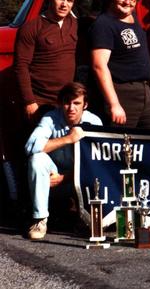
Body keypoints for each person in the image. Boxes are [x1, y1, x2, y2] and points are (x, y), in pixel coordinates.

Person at [24, 82, 102, 240]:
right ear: (61, 103)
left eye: (77, 103)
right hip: (53, 178)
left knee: (98, 170)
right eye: (67, 102)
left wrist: (65, 178)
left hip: (80, 180)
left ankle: (89, 219)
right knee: (37, 159)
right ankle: (40, 220)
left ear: (85, 105)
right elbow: (30, 147)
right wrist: (68, 139)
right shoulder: (51, 118)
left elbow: (100, 165)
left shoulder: (94, 122)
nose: (71, 108)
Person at [90, 0, 150, 129]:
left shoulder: (133, 17)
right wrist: (114, 104)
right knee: (119, 146)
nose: (127, 2)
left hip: (144, 93)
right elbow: (99, 66)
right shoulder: (104, 24)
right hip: (122, 94)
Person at [14, 0, 80, 124]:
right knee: (37, 145)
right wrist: (29, 101)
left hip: (67, 100)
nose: (64, 4)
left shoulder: (76, 24)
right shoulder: (31, 27)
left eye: (69, 0)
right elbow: (21, 66)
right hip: (40, 100)